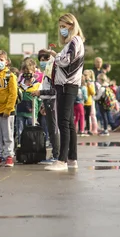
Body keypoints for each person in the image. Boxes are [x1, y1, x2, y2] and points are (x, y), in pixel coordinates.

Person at [42, 13, 86, 171]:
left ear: (72, 26)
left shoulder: (75, 41)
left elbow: (67, 60)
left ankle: (62, 160)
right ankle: (72, 158)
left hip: (68, 85)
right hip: (67, 85)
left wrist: (56, 56)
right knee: (69, 123)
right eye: (60, 27)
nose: (62, 30)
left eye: (64, 26)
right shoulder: (74, 42)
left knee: (63, 122)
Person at [32, 50, 60, 165]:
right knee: (51, 129)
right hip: (47, 101)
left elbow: (54, 91)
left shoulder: (53, 72)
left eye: (45, 59)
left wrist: (40, 92)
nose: (43, 62)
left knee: (54, 130)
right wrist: (43, 102)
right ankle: (55, 153)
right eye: (41, 60)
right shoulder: (46, 72)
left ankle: (56, 155)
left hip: (53, 102)